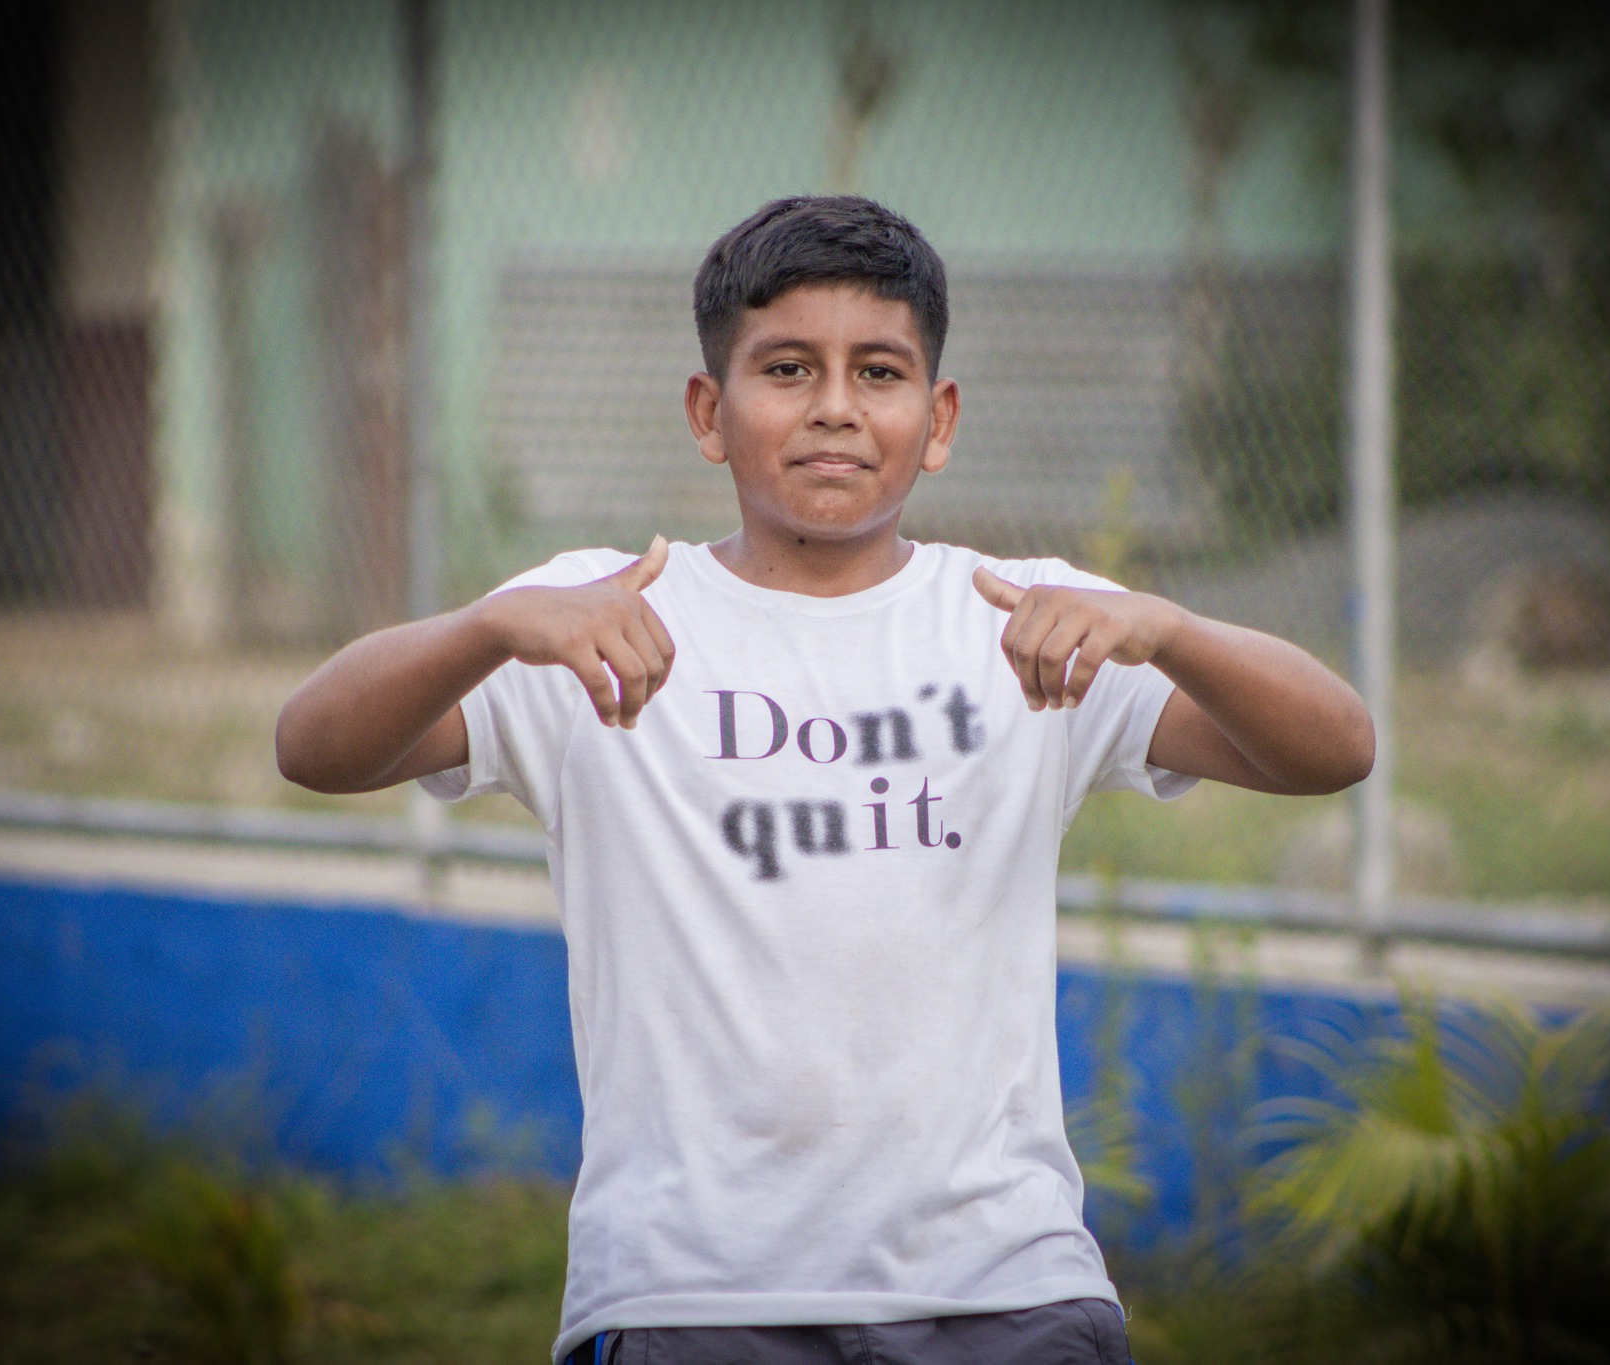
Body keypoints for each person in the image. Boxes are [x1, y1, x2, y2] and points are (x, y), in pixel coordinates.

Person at [275, 195, 1374, 1365]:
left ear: (937, 420)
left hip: (1006, 1291)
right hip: (687, 1299)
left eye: (879, 372)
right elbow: (315, 748)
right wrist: (486, 629)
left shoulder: (1027, 620)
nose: (835, 407)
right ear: (709, 412)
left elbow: (1332, 749)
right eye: (787, 368)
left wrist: (1172, 630)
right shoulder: (593, 618)